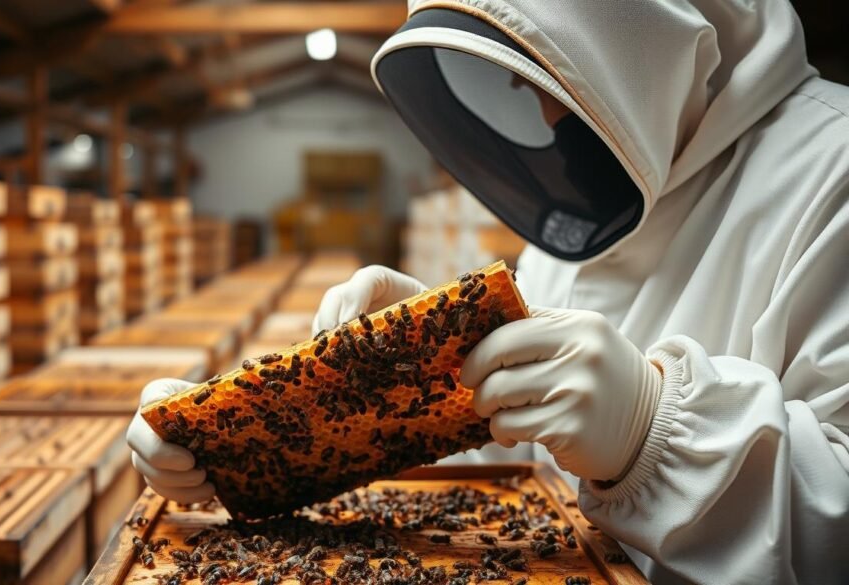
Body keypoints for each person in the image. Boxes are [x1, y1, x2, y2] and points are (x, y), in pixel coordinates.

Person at [128, 0, 849, 583]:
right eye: (518, 77)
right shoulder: (589, 206)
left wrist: (652, 432)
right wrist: (398, 386)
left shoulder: (832, 168)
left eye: (540, 67)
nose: (539, 112)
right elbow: (524, 458)